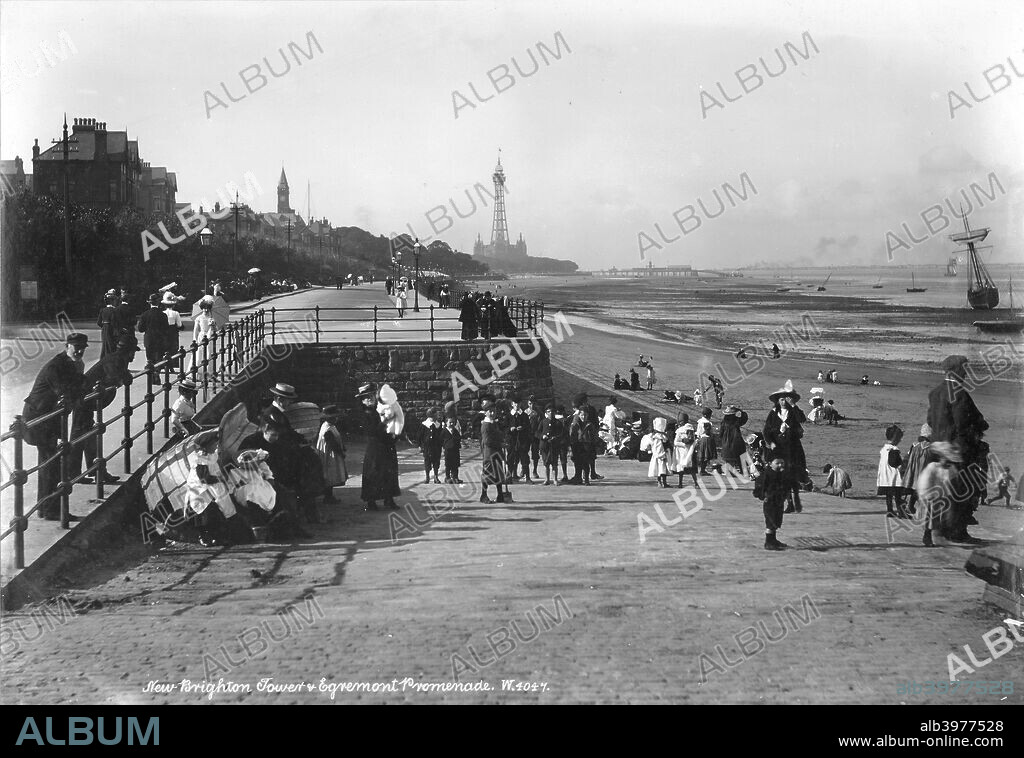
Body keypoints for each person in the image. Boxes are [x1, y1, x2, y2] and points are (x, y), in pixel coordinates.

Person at [22, 333, 89, 521]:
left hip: (50, 417)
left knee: (50, 463)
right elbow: (65, 393)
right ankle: (51, 510)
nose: (80, 350)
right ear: (66, 346)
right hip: (38, 418)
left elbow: (77, 388)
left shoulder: (71, 364)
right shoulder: (56, 366)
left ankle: (47, 509)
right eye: (76, 347)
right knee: (52, 463)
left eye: (83, 347)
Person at [927, 354, 988, 543]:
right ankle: (958, 532)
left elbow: (930, 420)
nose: (967, 373)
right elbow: (963, 423)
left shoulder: (936, 392)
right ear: (955, 371)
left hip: (936, 448)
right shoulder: (959, 392)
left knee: (937, 492)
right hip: (957, 451)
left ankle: (935, 531)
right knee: (964, 491)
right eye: (964, 369)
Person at [70, 334, 137, 485]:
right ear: (129, 351)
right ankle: (75, 474)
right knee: (79, 436)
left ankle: (95, 470)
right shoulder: (116, 359)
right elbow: (115, 377)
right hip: (83, 399)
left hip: (87, 399)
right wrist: (123, 378)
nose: (134, 355)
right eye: (133, 351)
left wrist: (124, 377)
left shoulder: (118, 358)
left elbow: (121, 376)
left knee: (89, 435)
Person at [239, 418, 312, 538]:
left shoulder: (276, 443)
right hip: (249, 479)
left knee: (284, 497)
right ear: (265, 430)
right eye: (273, 435)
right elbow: (242, 463)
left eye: (278, 435)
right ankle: (285, 530)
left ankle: (292, 529)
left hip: (269, 478)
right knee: (279, 498)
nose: (276, 438)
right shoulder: (251, 441)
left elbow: (280, 464)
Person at [762, 381, 808, 514]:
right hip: (778, 449)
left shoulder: (793, 412)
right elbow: (766, 431)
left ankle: (792, 501)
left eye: (786, 399)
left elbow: (802, 419)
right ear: (777, 400)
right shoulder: (773, 413)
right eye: (781, 399)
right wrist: (770, 442)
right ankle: (789, 502)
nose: (783, 402)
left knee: (792, 474)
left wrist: (794, 405)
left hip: (793, 448)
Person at [185, 429, 236, 546]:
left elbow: (216, 469)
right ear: (206, 446)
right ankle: (203, 535)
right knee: (207, 508)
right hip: (199, 487)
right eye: (214, 444)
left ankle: (218, 535)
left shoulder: (212, 455)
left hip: (212, 484)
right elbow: (204, 478)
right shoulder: (200, 460)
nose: (216, 446)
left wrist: (223, 477)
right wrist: (220, 479)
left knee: (224, 501)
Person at [356, 383, 400, 510]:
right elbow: (372, 431)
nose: (370, 399)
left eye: (371, 396)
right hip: (375, 448)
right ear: (362, 401)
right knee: (374, 473)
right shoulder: (365, 414)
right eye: (366, 397)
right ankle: (371, 501)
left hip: (387, 445)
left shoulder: (380, 409)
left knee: (389, 473)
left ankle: (389, 499)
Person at [916, 441, 962, 547]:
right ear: (941, 457)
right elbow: (924, 482)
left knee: (940, 517)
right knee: (929, 516)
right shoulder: (932, 467)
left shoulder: (951, 470)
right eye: (947, 460)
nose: (948, 463)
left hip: (942, 497)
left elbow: (952, 483)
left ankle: (939, 535)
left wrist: (949, 495)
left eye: (950, 462)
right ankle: (927, 536)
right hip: (930, 496)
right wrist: (927, 495)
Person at [754, 454, 791, 550]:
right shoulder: (767, 474)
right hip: (770, 502)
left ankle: (773, 540)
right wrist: (763, 496)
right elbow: (759, 486)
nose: (780, 465)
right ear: (770, 464)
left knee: (776, 520)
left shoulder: (781, 474)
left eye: (782, 463)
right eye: (777, 463)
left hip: (779, 501)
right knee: (771, 522)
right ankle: (768, 542)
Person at [479, 397, 510, 503]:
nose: (492, 413)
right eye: (490, 411)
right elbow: (487, 441)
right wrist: (501, 444)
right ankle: (483, 495)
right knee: (487, 475)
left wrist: (503, 439)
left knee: (499, 475)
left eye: (494, 411)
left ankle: (500, 495)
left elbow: (498, 434)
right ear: (485, 412)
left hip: (496, 453)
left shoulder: (494, 423)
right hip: (489, 454)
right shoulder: (485, 425)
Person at [316, 405, 347, 505]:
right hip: (329, 455)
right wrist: (341, 453)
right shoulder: (327, 429)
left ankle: (329, 495)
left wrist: (343, 446)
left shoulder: (331, 426)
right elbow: (332, 444)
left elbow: (337, 439)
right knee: (329, 475)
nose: (336, 419)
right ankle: (328, 496)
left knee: (330, 474)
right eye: (334, 417)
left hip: (331, 453)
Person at [878, 424, 908, 518]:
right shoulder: (894, 450)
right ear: (895, 438)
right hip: (893, 477)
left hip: (884, 476)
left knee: (889, 496)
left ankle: (890, 510)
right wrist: (903, 464)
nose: (900, 440)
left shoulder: (884, 449)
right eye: (899, 438)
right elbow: (895, 463)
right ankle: (901, 512)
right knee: (898, 496)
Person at [901, 424, 932, 514]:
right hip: (925, 472)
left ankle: (911, 505)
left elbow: (909, 458)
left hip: (915, 472)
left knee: (916, 489)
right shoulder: (931, 448)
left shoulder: (916, 446)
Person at [136, 293, 169, 370]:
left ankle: (152, 377)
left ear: (149, 303)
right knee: (158, 359)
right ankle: (157, 374)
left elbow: (140, 329)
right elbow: (166, 329)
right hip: (159, 339)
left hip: (149, 339)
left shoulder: (144, 315)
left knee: (150, 359)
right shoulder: (163, 315)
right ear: (158, 302)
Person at [569, 400, 597, 485]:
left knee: (585, 463)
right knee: (577, 463)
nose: (583, 417)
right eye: (582, 415)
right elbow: (572, 434)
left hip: (587, 445)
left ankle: (586, 479)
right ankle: (578, 478)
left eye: (585, 415)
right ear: (579, 415)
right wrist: (571, 445)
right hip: (577, 445)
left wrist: (593, 445)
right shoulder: (575, 424)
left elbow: (593, 436)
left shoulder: (590, 425)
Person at [506, 397, 533, 483]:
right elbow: (503, 427)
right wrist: (510, 429)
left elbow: (529, 427)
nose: (517, 405)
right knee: (511, 459)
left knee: (524, 458)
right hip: (512, 440)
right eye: (515, 403)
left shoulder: (524, 415)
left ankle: (527, 477)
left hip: (522, 440)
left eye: (518, 403)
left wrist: (523, 427)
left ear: (521, 404)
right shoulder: (508, 415)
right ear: (512, 404)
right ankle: (509, 477)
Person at [718, 406, 749, 480]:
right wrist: (740, 410)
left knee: (729, 458)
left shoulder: (724, 422)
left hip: (726, 442)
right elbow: (744, 418)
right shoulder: (736, 421)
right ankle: (743, 471)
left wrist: (721, 439)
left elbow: (721, 433)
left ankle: (730, 472)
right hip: (736, 440)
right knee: (741, 456)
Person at [539, 404, 563, 485]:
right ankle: (547, 479)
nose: (550, 413)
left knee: (554, 463)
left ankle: (555, 479)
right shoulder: (543, 421)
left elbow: (561, 433)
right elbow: (537, 432)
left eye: (552, 411)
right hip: (545, 445)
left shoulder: (558, 423)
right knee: (546, 463)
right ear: (546, 412)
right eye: (549, 411)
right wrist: (543, 436)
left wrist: (555, 437)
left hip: (554, 446)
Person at [419, 408, 444, 484]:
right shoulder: (424, 425)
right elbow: (419, 436)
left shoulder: (438, 424)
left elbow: (441, 435)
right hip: (427, 447)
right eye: (434, 415)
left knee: (436, 461)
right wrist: (420, 445)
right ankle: (427, 477)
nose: (436, 417)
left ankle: (436, 476)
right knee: (427, 461)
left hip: (436, 446)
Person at [162, 291, 185, 369]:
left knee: (164, 348)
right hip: (173, 332)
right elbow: (179, 325)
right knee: (173, 349)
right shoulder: (175, 313)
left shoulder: (162, 313)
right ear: (173, 305)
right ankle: (172, 365)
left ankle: (164, 364)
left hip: (164, 332)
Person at [672, 423, 698, 488]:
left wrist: (692, 444)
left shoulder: (691, 431)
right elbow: (675, 442)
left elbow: (693, 441)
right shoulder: (679, 432)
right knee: (681, 468)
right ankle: (680, 483)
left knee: (691, 468)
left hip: (689, 451)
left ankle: (696, 483)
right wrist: (684, 443)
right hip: (681, 452)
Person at [694, 407, 718, 475]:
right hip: (707, 439)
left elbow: (698, 432)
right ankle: (702, 470)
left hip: (701, 438)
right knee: (706, 455)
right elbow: (710, 432)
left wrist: (698, 438)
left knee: (702, 454)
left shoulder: (700, 421)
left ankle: (702, 469)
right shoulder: (707, 423)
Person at [648, 417, 670, 487]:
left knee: (660, 470)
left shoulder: (655, 436)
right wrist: (662, 454)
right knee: (661, 469)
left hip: (657, 455)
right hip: (661, 455)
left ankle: (661, 482)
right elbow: (658, 447)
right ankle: (661, 482)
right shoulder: (659, 437)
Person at [442, 412, 463, 484]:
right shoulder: (444, 431)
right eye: (450, 422)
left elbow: (458, 438)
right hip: (448, 451)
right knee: (448, 465)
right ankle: (447, 477)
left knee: (455, 464)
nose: (452, 424)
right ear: (446, 423)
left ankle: (455, 477)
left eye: (453, 422)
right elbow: (441, 439)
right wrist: (444, 446)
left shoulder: (455, 431)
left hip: (455, 450)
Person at [97, 292, 118, 358]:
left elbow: (98, 322)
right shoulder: (114, 310)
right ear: (112, 301)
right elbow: (114, 322)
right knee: (111, 346)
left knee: (105, 345)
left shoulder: (103, 310)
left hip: (104, 329)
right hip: (111, 329)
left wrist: (104, 327)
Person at [527, 396, 543, 479]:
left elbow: (541, 424)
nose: (532, 405)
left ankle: (535, 470)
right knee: (524, 453)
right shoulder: (525, 412)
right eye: (530, 403)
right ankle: (524, 469)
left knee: (535, 454)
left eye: (533, 403)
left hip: (535, 435)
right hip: (526, 435)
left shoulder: (539, 412)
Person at [555, 405, 571, 481]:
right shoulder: (565, 420)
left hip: (555, 441)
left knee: (554, 459)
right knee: (563, 459)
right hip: (563, 442)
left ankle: (554, 476)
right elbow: (567, 431)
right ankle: (565, 475)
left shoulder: (553, 419)